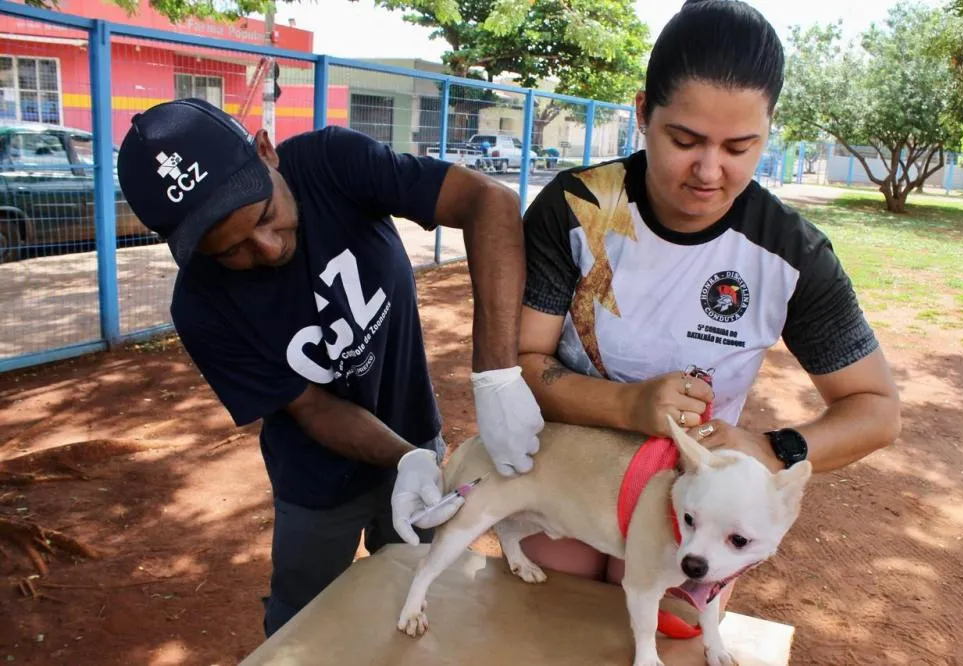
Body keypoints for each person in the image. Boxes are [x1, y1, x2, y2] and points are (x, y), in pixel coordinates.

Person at [514, 0, 902, 609]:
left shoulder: (790, 254)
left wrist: (773, 450)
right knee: (552, 617)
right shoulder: (577, 207)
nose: (709, 171)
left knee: (663, 634)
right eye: (685, 139)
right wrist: (628, 404)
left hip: (693, 500)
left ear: (769, 132)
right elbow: (523, 361)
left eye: (740, 146)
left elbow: (876, 410)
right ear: (643, 113)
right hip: (569, 465)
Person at [115, 98, 544, 637]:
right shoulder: (200, 307)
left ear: (266, 151)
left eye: (265, 216)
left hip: (417, 430)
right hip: (314, 483)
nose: (268, 249)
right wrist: (405, 458)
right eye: (233, 251)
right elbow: (311, 407)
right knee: (301, 623)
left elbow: (488, 201)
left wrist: (496, 377)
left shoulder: (330, 163)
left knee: (426, 596)